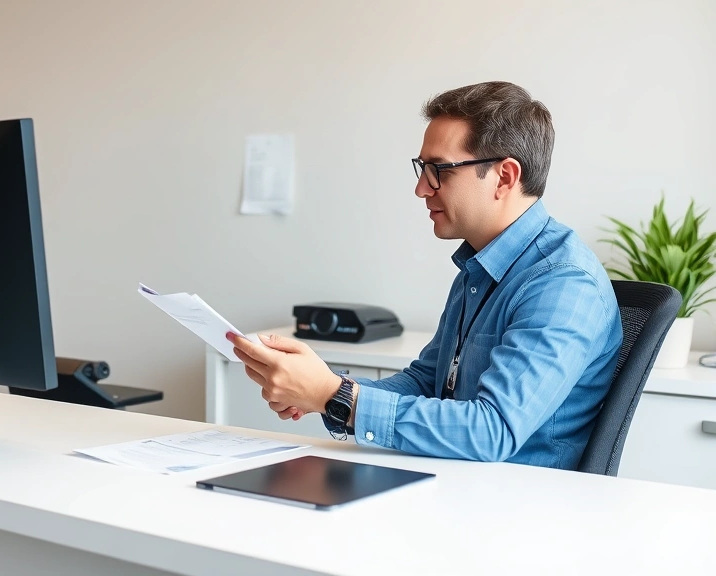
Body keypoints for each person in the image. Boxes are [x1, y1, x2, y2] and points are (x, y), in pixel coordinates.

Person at [227, 81, 623, 470]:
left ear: (504, 177)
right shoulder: (480, 267)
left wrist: (337, 395)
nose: (421, 188)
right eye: (422, 168)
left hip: (516, 513)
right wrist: (324, 390)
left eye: (439, 170)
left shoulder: (564, 284)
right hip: (457, 486)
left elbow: (492, 431)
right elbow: (428, 381)